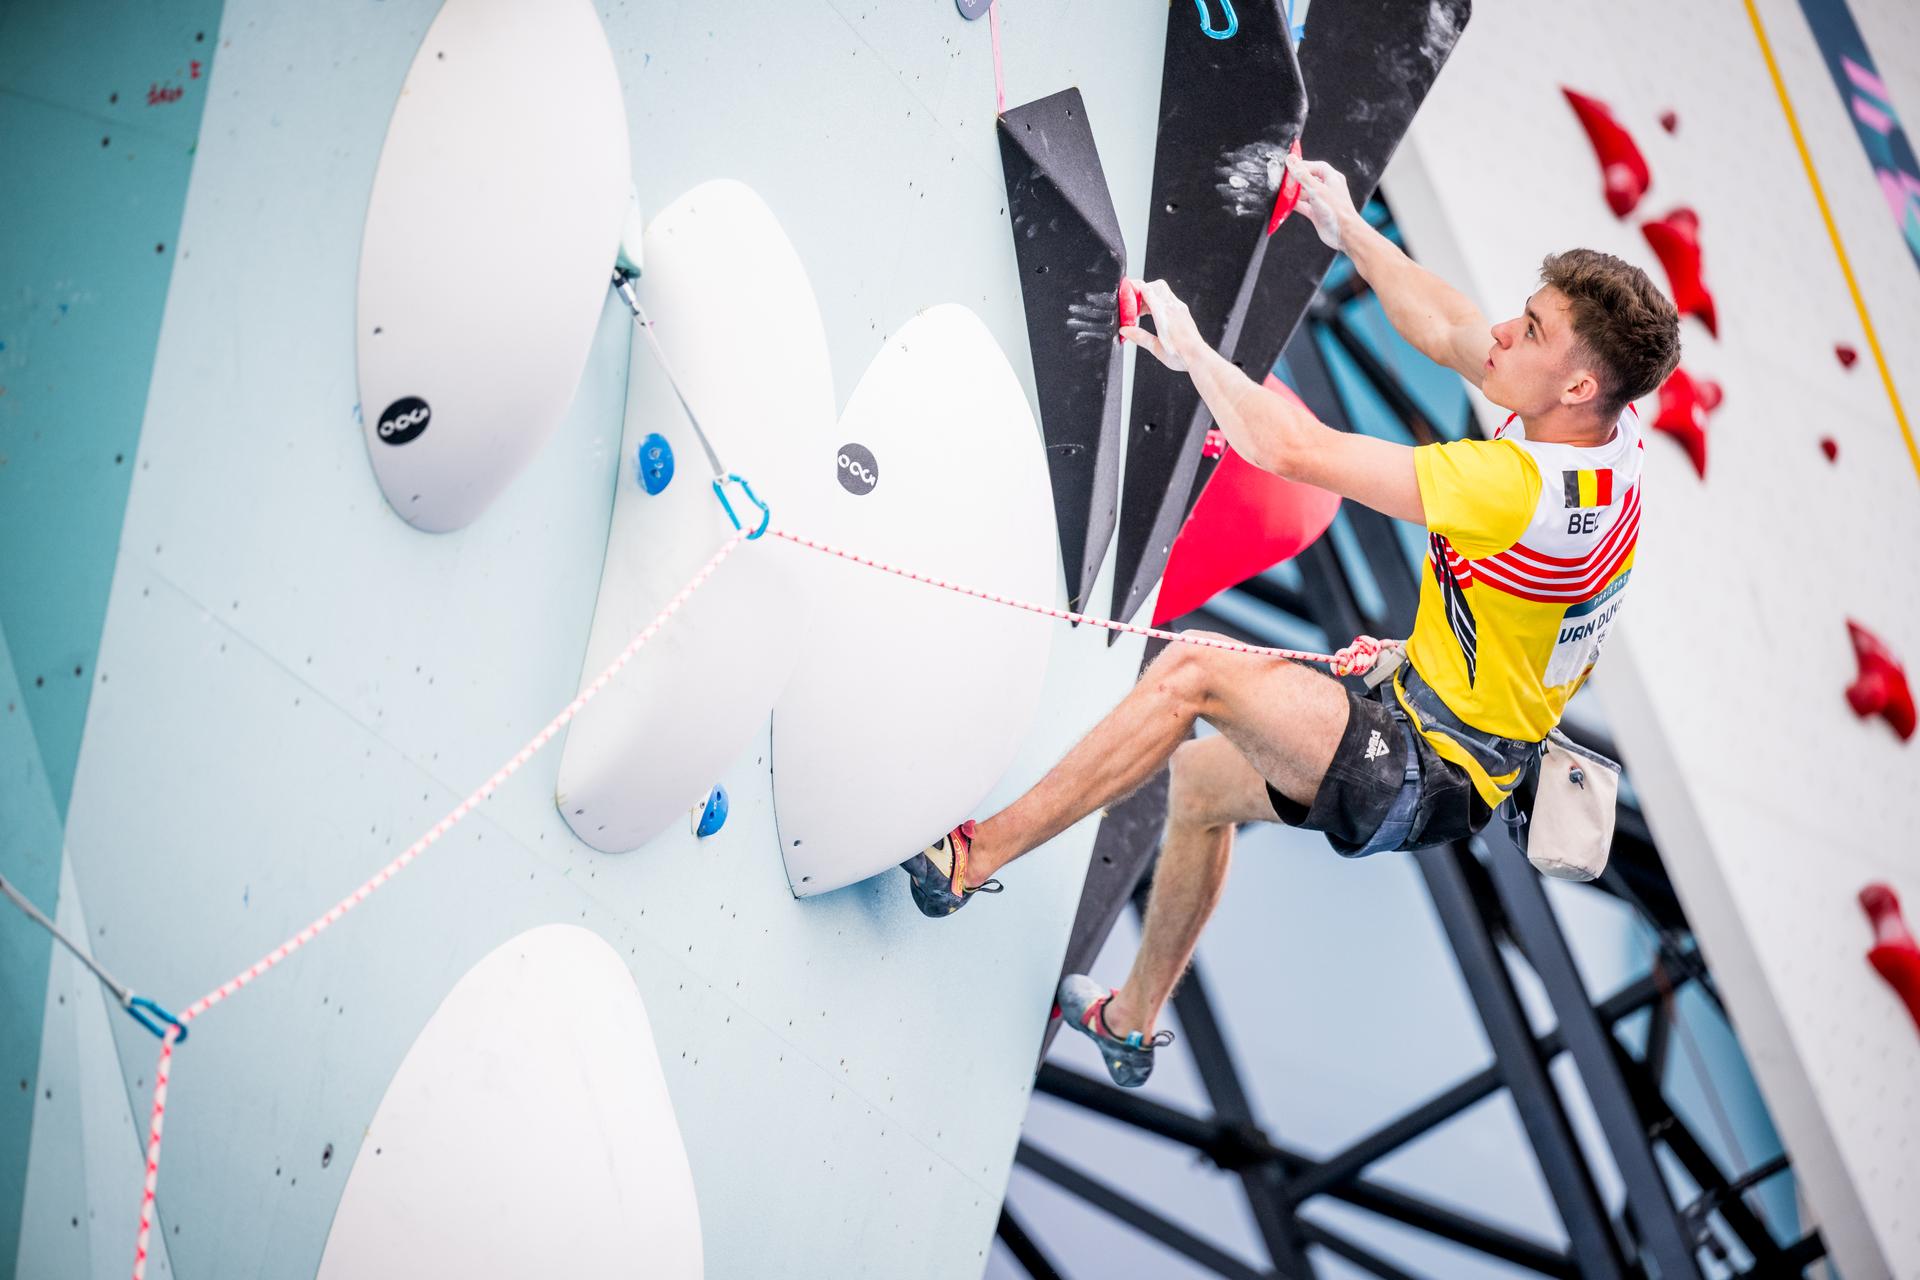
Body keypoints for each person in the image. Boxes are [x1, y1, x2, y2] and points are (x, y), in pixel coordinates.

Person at [899, 154, 1683, 1087]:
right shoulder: (1605, 433)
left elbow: (1292, 447)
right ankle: (1130, 1022)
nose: (1505, 333)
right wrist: (1344, 224)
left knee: (1194, 672)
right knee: (1198, 789)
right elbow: (1447, 326)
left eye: (1534, 329)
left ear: (1580, 387)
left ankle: (968, 859)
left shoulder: (1518, 489)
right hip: (1443, 719)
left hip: (1428, 765)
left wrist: (1186, 347)